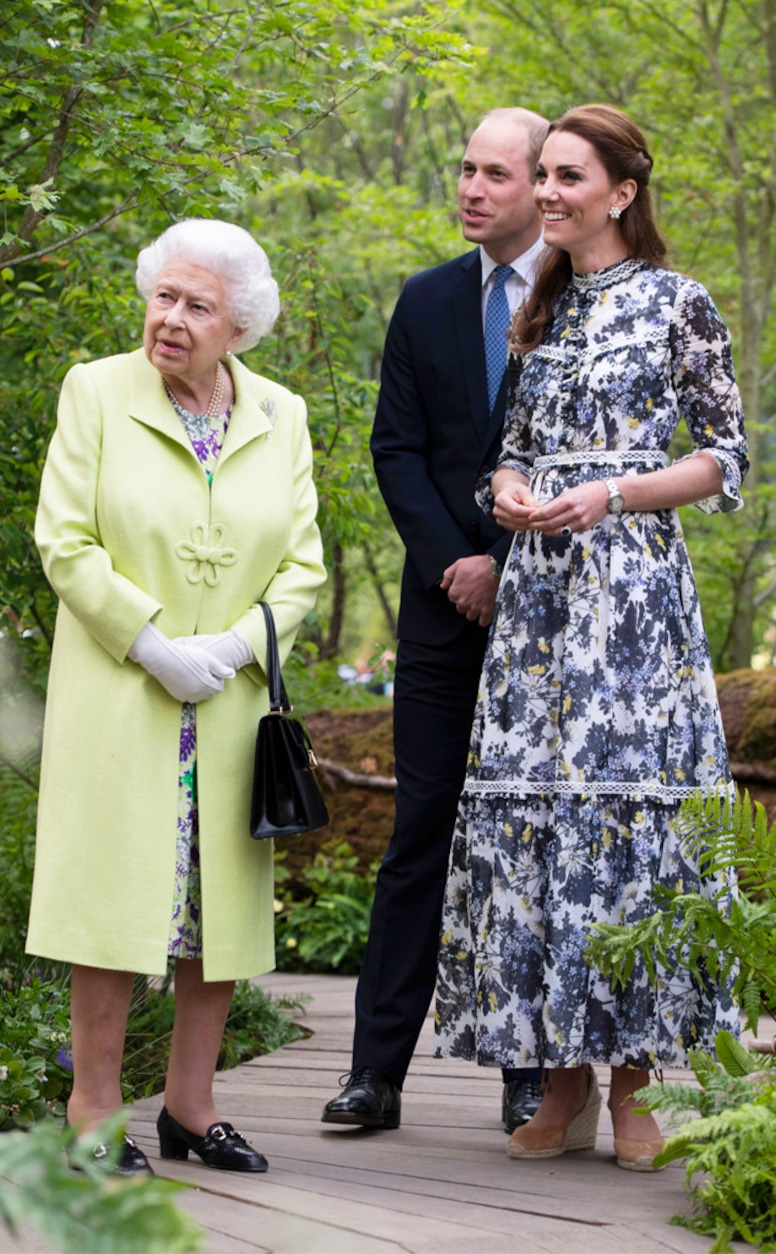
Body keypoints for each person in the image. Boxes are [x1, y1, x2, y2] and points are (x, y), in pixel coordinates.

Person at [434, 103, 748, 1172]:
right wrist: (510, 489)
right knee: (542, 824)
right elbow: (513, 450)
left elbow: (724, 459)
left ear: (622, 192)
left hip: (631, 601)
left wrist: (612, 495)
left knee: (627, 825)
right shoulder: (544, 308)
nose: (548, 193)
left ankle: (635, 1088)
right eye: (545, 176)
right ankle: (558, 1083)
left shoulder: (677, 302)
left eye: (568, 177)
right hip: (538, 607)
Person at [27, 219, 326, 1175]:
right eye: (165, 296)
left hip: (229, 705)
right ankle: (92, 1112)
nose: (172, 319)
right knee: (112, 906)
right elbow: (65, 539)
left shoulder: (281, 413)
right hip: (124, 694)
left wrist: (237, 646)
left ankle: (191, 1109)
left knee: (214, 912)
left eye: (199, 306)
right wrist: (152, 645)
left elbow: (303, 564)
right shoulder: (97, 391)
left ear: (239, 326)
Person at [321, 108, 549, 1134]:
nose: (470, 187)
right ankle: (373, 1075)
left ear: (540, 184)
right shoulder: (425, 299)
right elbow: (395, 450)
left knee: (525, 839)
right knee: (418, 832)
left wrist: (506, 562)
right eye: (465, 169)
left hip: (548, 616)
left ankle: (528, 1076)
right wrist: (456, 562)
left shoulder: (585, 301)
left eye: (494, 173)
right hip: (438, 611)